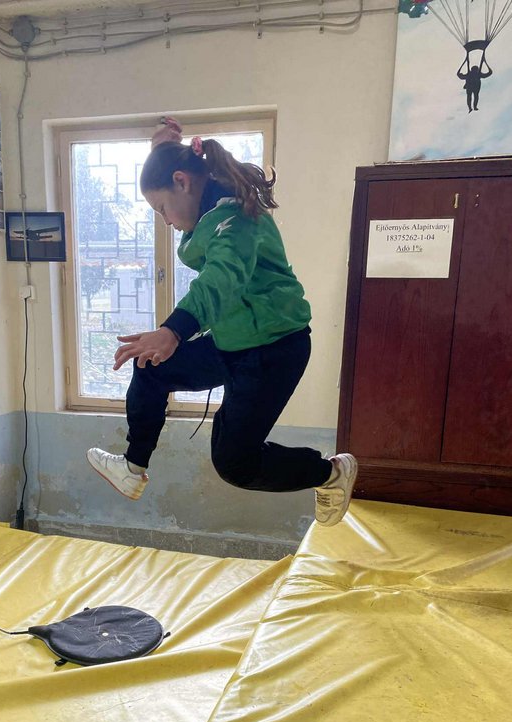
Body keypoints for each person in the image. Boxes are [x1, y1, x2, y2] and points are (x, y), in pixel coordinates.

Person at [87, 116, 357, 527]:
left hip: (274, 348)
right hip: (233, 340)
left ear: (182, 181)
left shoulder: (236, 220)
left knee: (235, 463)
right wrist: (160, 151)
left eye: (161, 208)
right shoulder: (207, 203)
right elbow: (180, 188)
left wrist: (174, 330)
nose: (165, 220)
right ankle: (132, 467)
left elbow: (222, 279)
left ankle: (331, 473)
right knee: (151, 365)